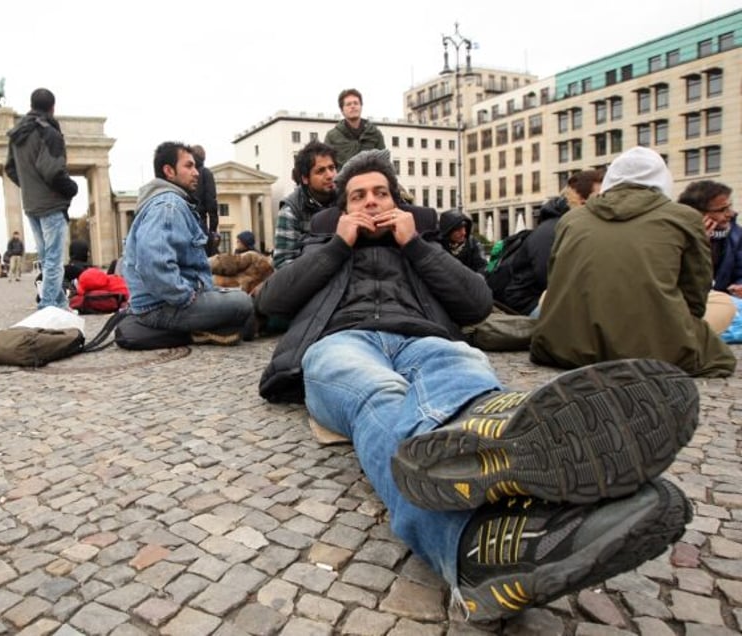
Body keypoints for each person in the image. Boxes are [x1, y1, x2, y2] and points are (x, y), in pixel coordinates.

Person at [255, 148, 695, 623]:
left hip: (422, 339)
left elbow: (477, 302)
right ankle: (469, 521)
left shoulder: (419, 240)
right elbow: (272, 302)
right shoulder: (324, 242)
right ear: (342, 208)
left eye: (381, 192)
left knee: (462, 367)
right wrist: (339, 244)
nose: (371, 202)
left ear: (398, 200)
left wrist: (416, 246)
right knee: (380, 395)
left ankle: (489, 461)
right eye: (358, 196)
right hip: (342, 343)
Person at [531, 146, 736, 377]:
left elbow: (556, 277)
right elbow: (696, 295)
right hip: (651, 350)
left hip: (564, 347)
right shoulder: (684, 217)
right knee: (723, 311)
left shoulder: (571, 219)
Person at [123, 141, 254, 345]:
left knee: (238, 299)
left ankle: (209, 327)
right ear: (169, 171)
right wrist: (185, 297)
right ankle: (200, 329)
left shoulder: (170, 202)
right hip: (161, 307)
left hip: (162, 302)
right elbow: (152, 264)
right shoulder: (168, 205)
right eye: (189, 166)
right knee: (243, 304)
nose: (196, 172)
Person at [5, 88, 78, 309]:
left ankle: (60, 304)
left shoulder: (18, 134)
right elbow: (53, 171)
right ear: (52, 108)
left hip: (31, 204)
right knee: (54, 261)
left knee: (47, 259)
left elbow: (10, 168)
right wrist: (71, 189)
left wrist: (29, 187)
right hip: (51, 204)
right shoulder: (49, 133)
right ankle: (46, 308)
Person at [498, 169, 604, 315]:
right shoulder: (552, 230)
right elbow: (548, 277)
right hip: (528, 302)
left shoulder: (573, 226)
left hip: (547, 298)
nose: (606, 200)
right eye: (599, 196)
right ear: (581, 200)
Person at [273, 141, 338, 269]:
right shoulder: (291, 210)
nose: (330, 175)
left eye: (332, 168)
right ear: (305, 178)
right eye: (321, 171)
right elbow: (283, 264)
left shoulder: (348, 198)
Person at [678, 180, 742, 298]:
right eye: (722, 210)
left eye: (729, 207)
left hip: (725, 301)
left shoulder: (736, 234)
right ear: (697, 213)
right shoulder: (677, 236)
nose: (730, 214)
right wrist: (698, 243)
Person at [324, 89, 386, 168]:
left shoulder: (375, 133)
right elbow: (327, 166)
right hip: (343, 180)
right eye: (348, 104)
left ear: (361, 107)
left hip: (370, 180)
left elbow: (384, 164)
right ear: (342, 110)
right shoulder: (331, 136)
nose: (353, 106)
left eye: (356, 103)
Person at [191, 145, 220, 257]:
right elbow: (211, 201)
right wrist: (213, 229)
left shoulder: (187, 174)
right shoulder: (205, 173)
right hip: (200, 220)